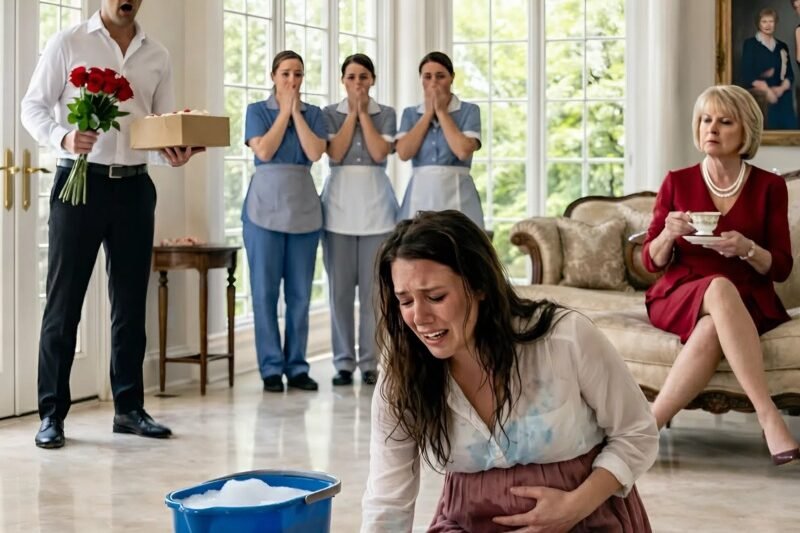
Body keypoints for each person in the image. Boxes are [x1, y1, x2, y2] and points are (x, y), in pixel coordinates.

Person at [362, 210, 658, 532]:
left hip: (588, 519)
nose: (419, 317)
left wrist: (574, 507)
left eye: (436, 297)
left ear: (479, 286)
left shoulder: (564, 338)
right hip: (467, 524)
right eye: (405, 301)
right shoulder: (402, 374)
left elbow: (637, 433)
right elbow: (387, 499)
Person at [20, 0, 203, 449]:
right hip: (78, 184)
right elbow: (32, 107)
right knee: (63, 305)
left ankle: (129, 409)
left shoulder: (157, 53)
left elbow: (156, 128)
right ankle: (52, 415)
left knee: (130, 304)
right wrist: (62, 137)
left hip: (135, 190)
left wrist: (173, 152)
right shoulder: (68, 42)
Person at [642, 85, 799, 466]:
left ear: (746, 131)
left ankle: (645, 430)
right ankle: (768, 415)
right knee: (717, 286)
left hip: (748, 300)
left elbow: (780, 267)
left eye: (724, 121)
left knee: (714, 321)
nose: (711, 128)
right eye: (705, 120)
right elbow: (650, 261)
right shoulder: (677, 182)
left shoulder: (769, 187)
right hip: (680, 293)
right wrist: (667, 232)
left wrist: (746, 248)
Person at [243, 50, 327, 393]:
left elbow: (314, 152)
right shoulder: (256, 111)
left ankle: (297, 366)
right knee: (264, 293)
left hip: (303, 210)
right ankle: (270, 367)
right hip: (263, 211)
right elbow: (263, 151)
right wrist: (284, 112)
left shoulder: (316, 115)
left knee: (300, 295)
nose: (292, 80)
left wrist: (298, 114)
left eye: (298, 74)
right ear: (273, 77)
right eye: (286, 74)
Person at [321, 54, 397, 387]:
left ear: (373, 80)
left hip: (377, 212)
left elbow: (380, 153)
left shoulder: (388, 115)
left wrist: (364, 114)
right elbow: (335, 153)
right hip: (337, 210)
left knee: (373, 293)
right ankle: (343, 362)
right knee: (339, 292)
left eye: (363, 77)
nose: (357, 83)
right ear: (342, 81)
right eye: (351, 77)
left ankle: (369, 361)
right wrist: (350, 113)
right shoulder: (328, 115)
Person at [395, 52, 484, 229]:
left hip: (459, 194)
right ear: (421, 80)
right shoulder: (411, 114)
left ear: (451, 78)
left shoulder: (469, 110)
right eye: (427, 77)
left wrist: (442, 112)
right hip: (420, 192)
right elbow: (404, 153)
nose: (433, 82)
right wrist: (428, 113)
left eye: (440, 76)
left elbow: (462, 150)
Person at [740, 8, 797, 129]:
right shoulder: (750, 44)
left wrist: (781, 88)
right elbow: (747, 74)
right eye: (764, 21)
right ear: (758, 23)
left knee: (787, 99)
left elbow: (790, 75)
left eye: (771, 21)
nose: (768, 25)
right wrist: (767, 90)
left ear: (775, 23)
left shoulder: (782, 46)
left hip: (780, 91)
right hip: (760, 91)